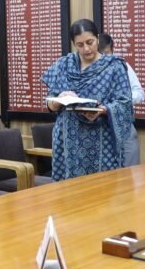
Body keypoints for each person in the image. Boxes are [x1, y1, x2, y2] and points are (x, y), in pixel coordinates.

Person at [42, 19, 132, 181]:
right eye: (80, 45)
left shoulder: (114, 67)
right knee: (68, 191)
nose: (86, 49)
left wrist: (104, 110)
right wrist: (58, 100)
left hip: (101, 140)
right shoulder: (63, 65)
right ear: (74, 44)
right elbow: (49, 103)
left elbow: (124, 103)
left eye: (90, 42)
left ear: (97, 38)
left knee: (101, 188)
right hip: (67, 139)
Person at [99, 32, 144, 166]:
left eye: (107, 53)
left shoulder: (121, 66)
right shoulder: (88, 70)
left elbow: (139, 93)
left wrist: (120, 102)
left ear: (112, 50)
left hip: (123, 125)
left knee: (131, 172)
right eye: (101, 54)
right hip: (99, 129)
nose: (105, 58)